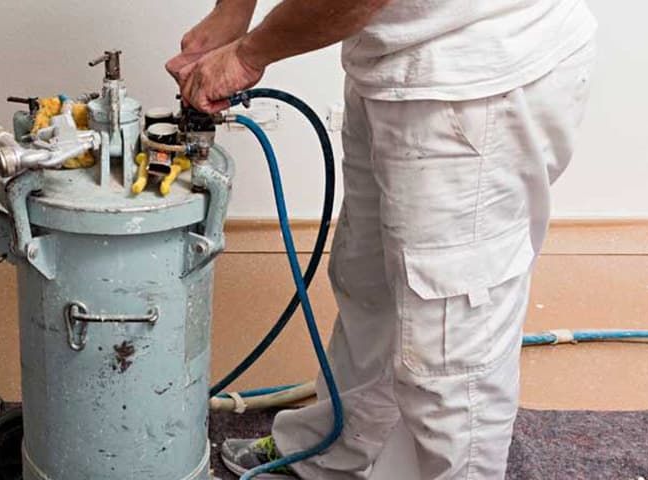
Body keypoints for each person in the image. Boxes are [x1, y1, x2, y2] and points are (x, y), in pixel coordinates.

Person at [167, 0, 596, 478]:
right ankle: (337, 453)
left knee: (450, 345)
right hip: (400, 60)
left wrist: (248, 55)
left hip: (476, 81)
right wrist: (234, 10)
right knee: (369, 280)